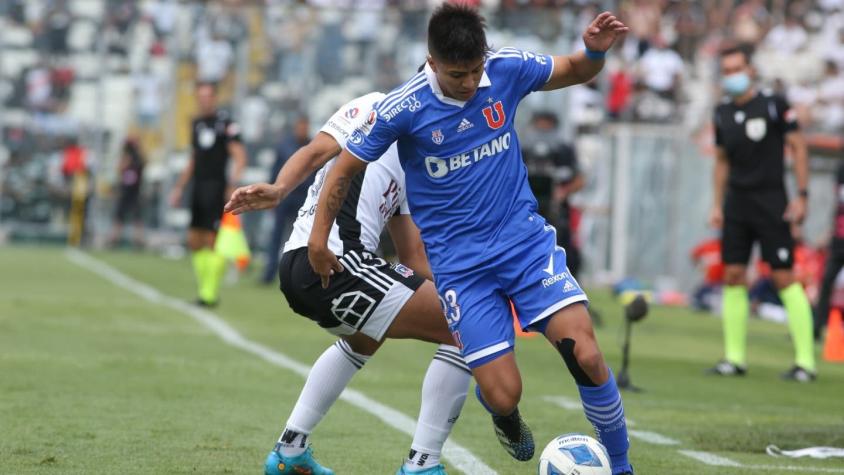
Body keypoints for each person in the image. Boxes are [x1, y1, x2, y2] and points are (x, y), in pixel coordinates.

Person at [308, 5, 634, 474]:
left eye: (475, 70)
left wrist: (593, 51)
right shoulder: (403, 107)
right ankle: (503, 413)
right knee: (505, 394)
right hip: (462, 270)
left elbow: (574, 68)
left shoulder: (504, 69)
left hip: (524, 247)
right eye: (457, 74)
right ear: (432, 61)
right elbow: (343, 167)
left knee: (585, 351)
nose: (469, 82)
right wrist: (320, 242)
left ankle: (622, 467)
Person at [225, 93, 470, 475]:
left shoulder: (417, 160)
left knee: (365, 339)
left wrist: (462, 290)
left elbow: (413, 257)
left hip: (305, 267)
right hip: (330, 259)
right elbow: (315, 151)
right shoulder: (379, 105)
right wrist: (278, 188)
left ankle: (290, 451)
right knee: (465, 327)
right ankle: (423, 464)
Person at [708, 45, 816, 382]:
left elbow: (799, 147)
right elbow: (722, 161)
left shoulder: (773, 104)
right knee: (733, 276)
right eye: (726, 71)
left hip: (771, 200)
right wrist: (716, 204)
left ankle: (805, 362)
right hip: (737, 204)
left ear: (750, 70)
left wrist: (801, 195)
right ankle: (734, 358)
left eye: (736, 68)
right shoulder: (722, 112)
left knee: (783, 276)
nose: (732, 76)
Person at [169, 82, 246, 307]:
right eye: (200, 97)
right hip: (198, 187)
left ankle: (209, 294)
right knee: (194, 239)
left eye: (208, 96)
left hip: (216, 187)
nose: (204, 101)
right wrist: (179, 187)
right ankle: (204, 290)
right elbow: (194, 159)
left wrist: (233, 184)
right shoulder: (196, 124)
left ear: (215, 98)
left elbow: (240, 156)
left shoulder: (226, 124)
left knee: (212, 240)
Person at [522, 111, 585, 277]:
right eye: (540, 124)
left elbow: (580, 179)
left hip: (557, 212)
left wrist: (562, 192)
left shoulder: (564, 149)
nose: (543, 129)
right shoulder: (522, 148)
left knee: (563, 251)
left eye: (547, 124)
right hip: (526, 210)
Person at [261, 116, 313, 284]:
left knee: (303, 237)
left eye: (305, 126)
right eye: (300, 126)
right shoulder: (284, 146)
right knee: (277, 235)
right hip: (285, 197)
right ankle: (269, 273)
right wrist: (271, 194)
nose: (302, 129)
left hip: (304, 198)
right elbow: (275, 170)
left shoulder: (313, 147)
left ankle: (301, 275)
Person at [814, 158, 844, 341]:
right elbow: (838, 205)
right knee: (826, 282)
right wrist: (829, 232)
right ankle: (816, 328)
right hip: (839, 238)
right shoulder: (841, 168)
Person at [108, 138, 146, 248]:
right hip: (126, 192)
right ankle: (114, 239)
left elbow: (122, 168)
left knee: (136, 217)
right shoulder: (130, 159)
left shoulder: (136, 160)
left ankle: (138, 240)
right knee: (120, 216)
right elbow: (120, 170)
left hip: (134, 192)